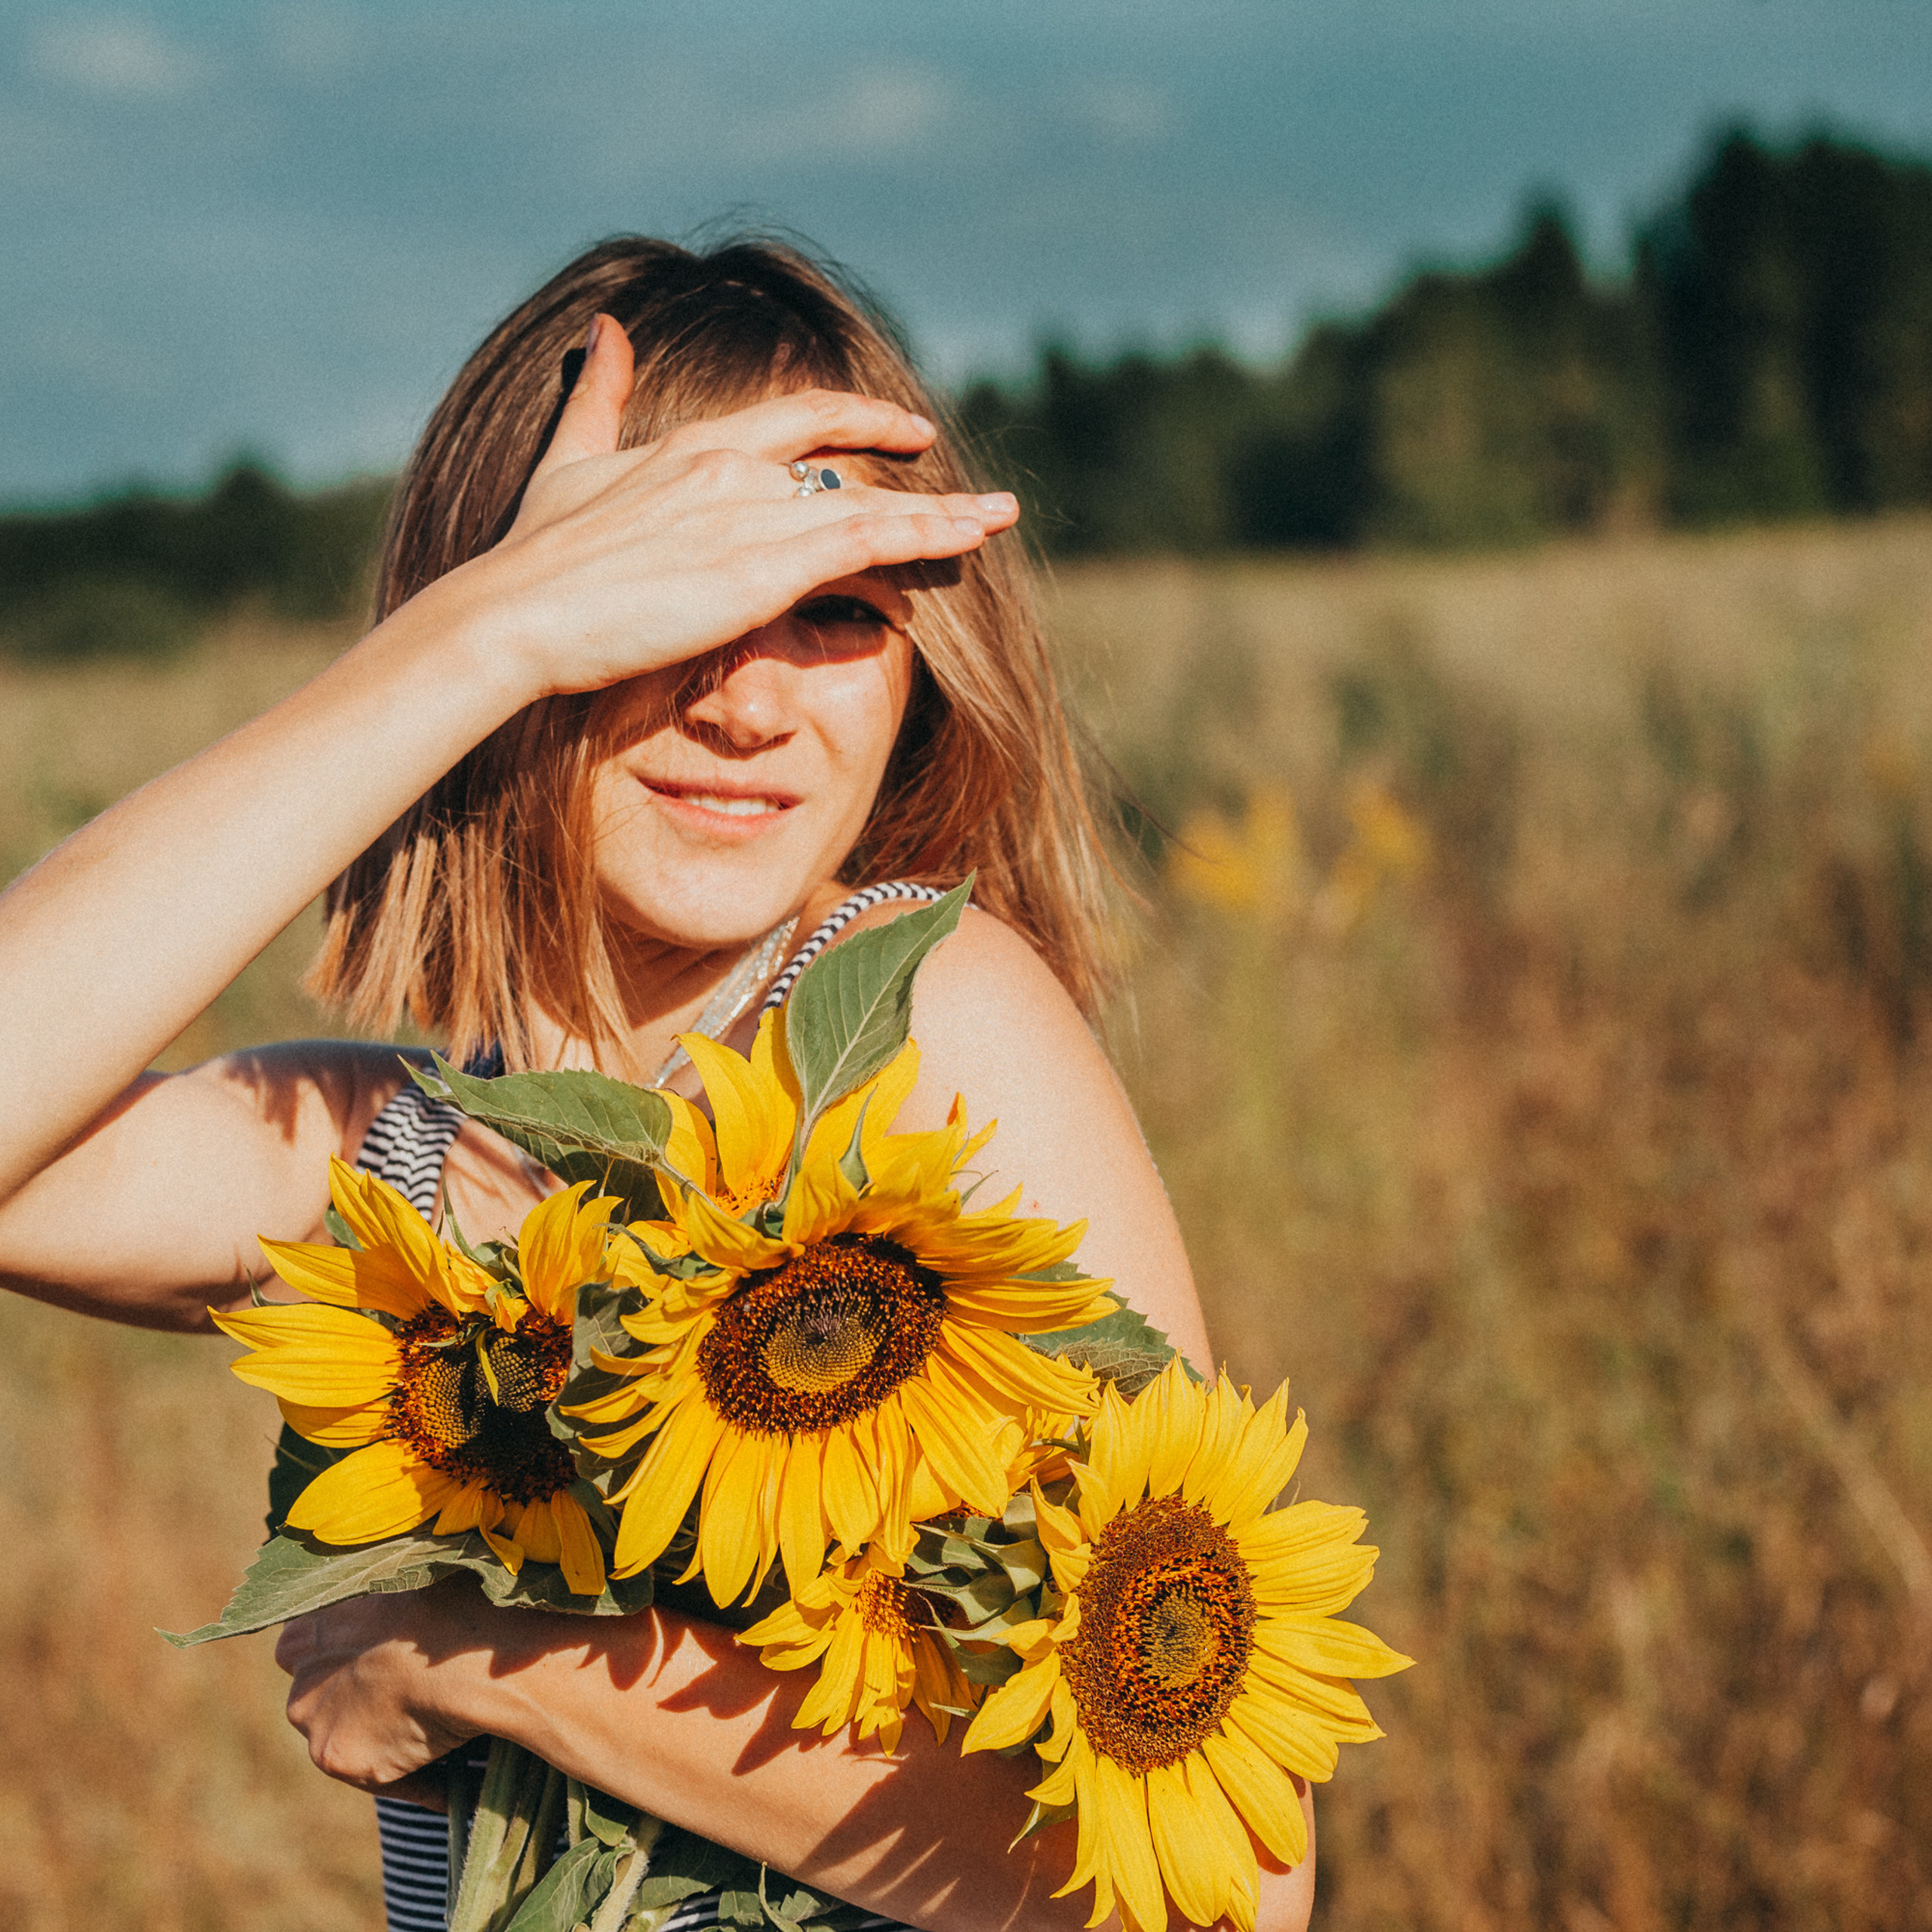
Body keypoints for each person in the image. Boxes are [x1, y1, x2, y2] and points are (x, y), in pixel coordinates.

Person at [0, 236, 1315, 1932]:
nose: (749, 699)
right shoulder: (387, 1166)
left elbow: (1235, 1886)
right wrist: (472, 645)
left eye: (832, 609)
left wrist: (508, 1664)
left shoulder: (904, 1031)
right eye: (671, 600)